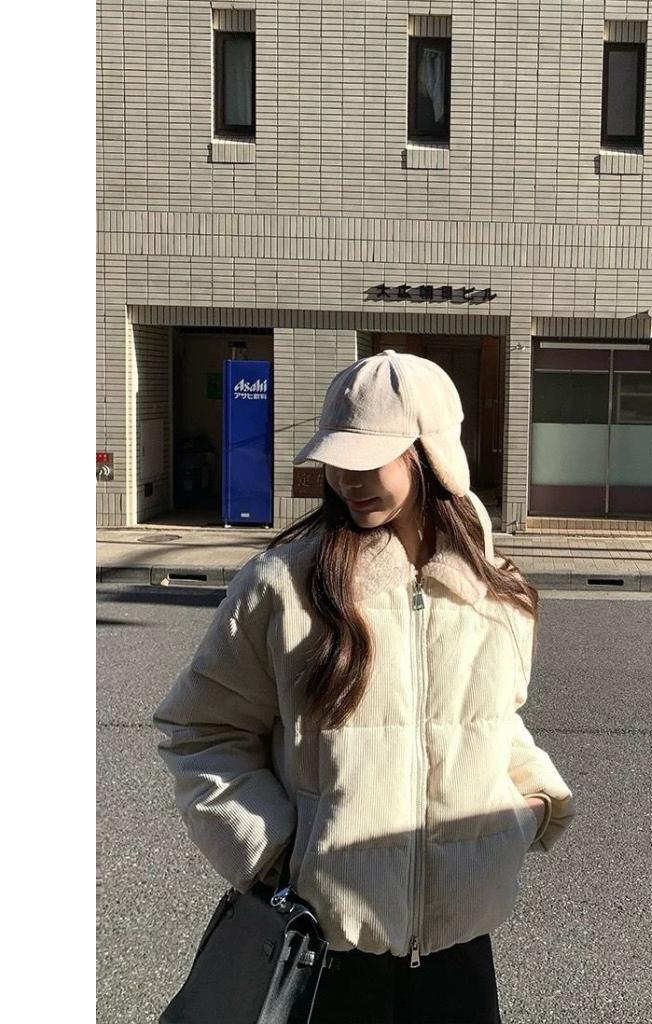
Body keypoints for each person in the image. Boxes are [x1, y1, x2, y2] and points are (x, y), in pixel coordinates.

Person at [152, 348, 576, 1024]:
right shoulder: (284, 587)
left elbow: (495, 721)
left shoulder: (496, 593)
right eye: (336, 458)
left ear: (431, 455)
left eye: (369, 457)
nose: (346, 477)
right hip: (325, 951)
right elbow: (201, 729)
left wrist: (531, 806)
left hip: (459, 951)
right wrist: (277, 852)